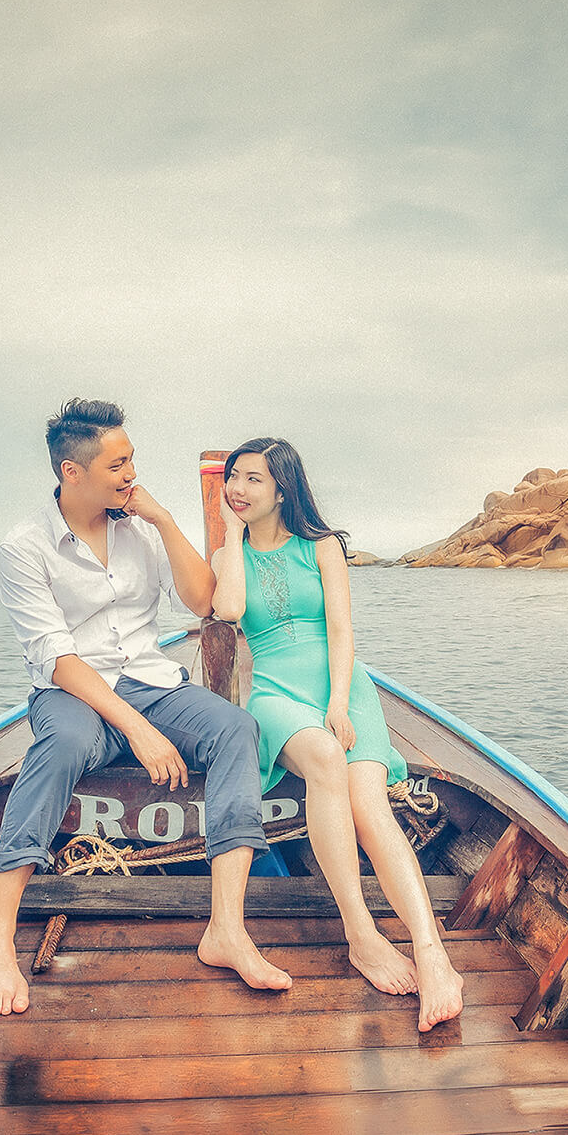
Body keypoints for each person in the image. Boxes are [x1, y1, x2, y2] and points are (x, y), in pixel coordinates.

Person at [0, 400, 291, 1014]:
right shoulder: (25, 546)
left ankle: (226, 928)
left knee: (237, 730)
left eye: (132, 460)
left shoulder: (141, 528)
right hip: (75, 692)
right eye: (118, 464)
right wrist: (139, 730)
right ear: (72, 471)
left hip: (151, 681)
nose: (130, 473)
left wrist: (166, 520)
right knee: (61, 745)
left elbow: (204, 602)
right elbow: (58, 659)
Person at [210, 437, 464, 1032]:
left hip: (343, 688)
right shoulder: (232, 552)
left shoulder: (321, 547)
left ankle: (432, 953)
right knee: (324, 757)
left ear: (282, 489)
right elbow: (227, 611)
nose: (239, 490)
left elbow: (344, 631)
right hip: (275, 693)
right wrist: (229, 534)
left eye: (253, 480)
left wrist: (341, 701)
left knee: (369, 804)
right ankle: (362, 933)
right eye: (233, 479)